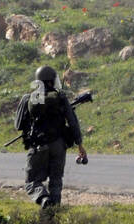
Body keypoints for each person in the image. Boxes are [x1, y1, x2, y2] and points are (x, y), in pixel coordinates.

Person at [13, 65, 87, 209]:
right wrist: (79, 144)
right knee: (56, 181)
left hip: (38, 145)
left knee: (32, 182)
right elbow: (73, 122)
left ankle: (44, 199)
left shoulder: (28, 98)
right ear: (52, 81)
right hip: (59, 145)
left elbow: (18, 125)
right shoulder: (60, 97)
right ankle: (54, 213)